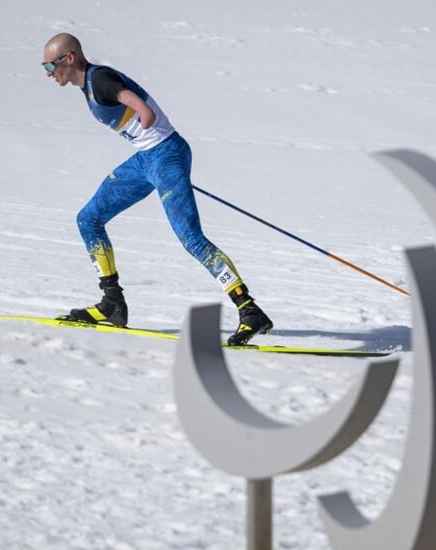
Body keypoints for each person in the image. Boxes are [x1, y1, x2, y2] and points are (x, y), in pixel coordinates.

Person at [41, 33, 272, 345]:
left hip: (165, 156)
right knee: (89, 219)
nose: (49, 73)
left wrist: (147, 121)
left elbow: (141, 109)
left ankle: (249, 309)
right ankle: (112, 303)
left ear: (69, 58)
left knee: (191, 239)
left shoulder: (100, 80)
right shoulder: (90, 85)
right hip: (146, 161)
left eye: (50, 65)